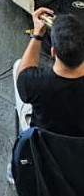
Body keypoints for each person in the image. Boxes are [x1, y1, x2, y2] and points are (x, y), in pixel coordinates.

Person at [13, 8, 84, 136]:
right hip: (79, 146)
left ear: (53, 52)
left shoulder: (34, 82)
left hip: (44, 142)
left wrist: (37, 34)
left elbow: (23, 72)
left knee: (18, 65)